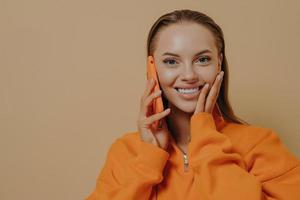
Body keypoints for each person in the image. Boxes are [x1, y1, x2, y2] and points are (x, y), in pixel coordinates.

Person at [85, 9, 300, 200]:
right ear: (152, 69)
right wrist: (148, 158)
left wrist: (205, 137)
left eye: (202, 59)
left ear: (219, 64)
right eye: (171, 61)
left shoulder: (260, 144)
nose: (189, 75)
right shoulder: (126, 152)